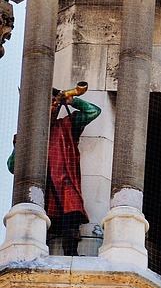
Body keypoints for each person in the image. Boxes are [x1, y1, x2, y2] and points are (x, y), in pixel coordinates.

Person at [11, 84, 101, 255]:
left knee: (71, 222)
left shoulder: (66, 125)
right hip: (44, 187)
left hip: (65, 185)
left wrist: (73, 101)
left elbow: (93, 111)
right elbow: (12, 166)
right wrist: (19, 146)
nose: (51, 107)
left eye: (54, 103)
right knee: (41, 226)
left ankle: (71, 254)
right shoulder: (28, 135)